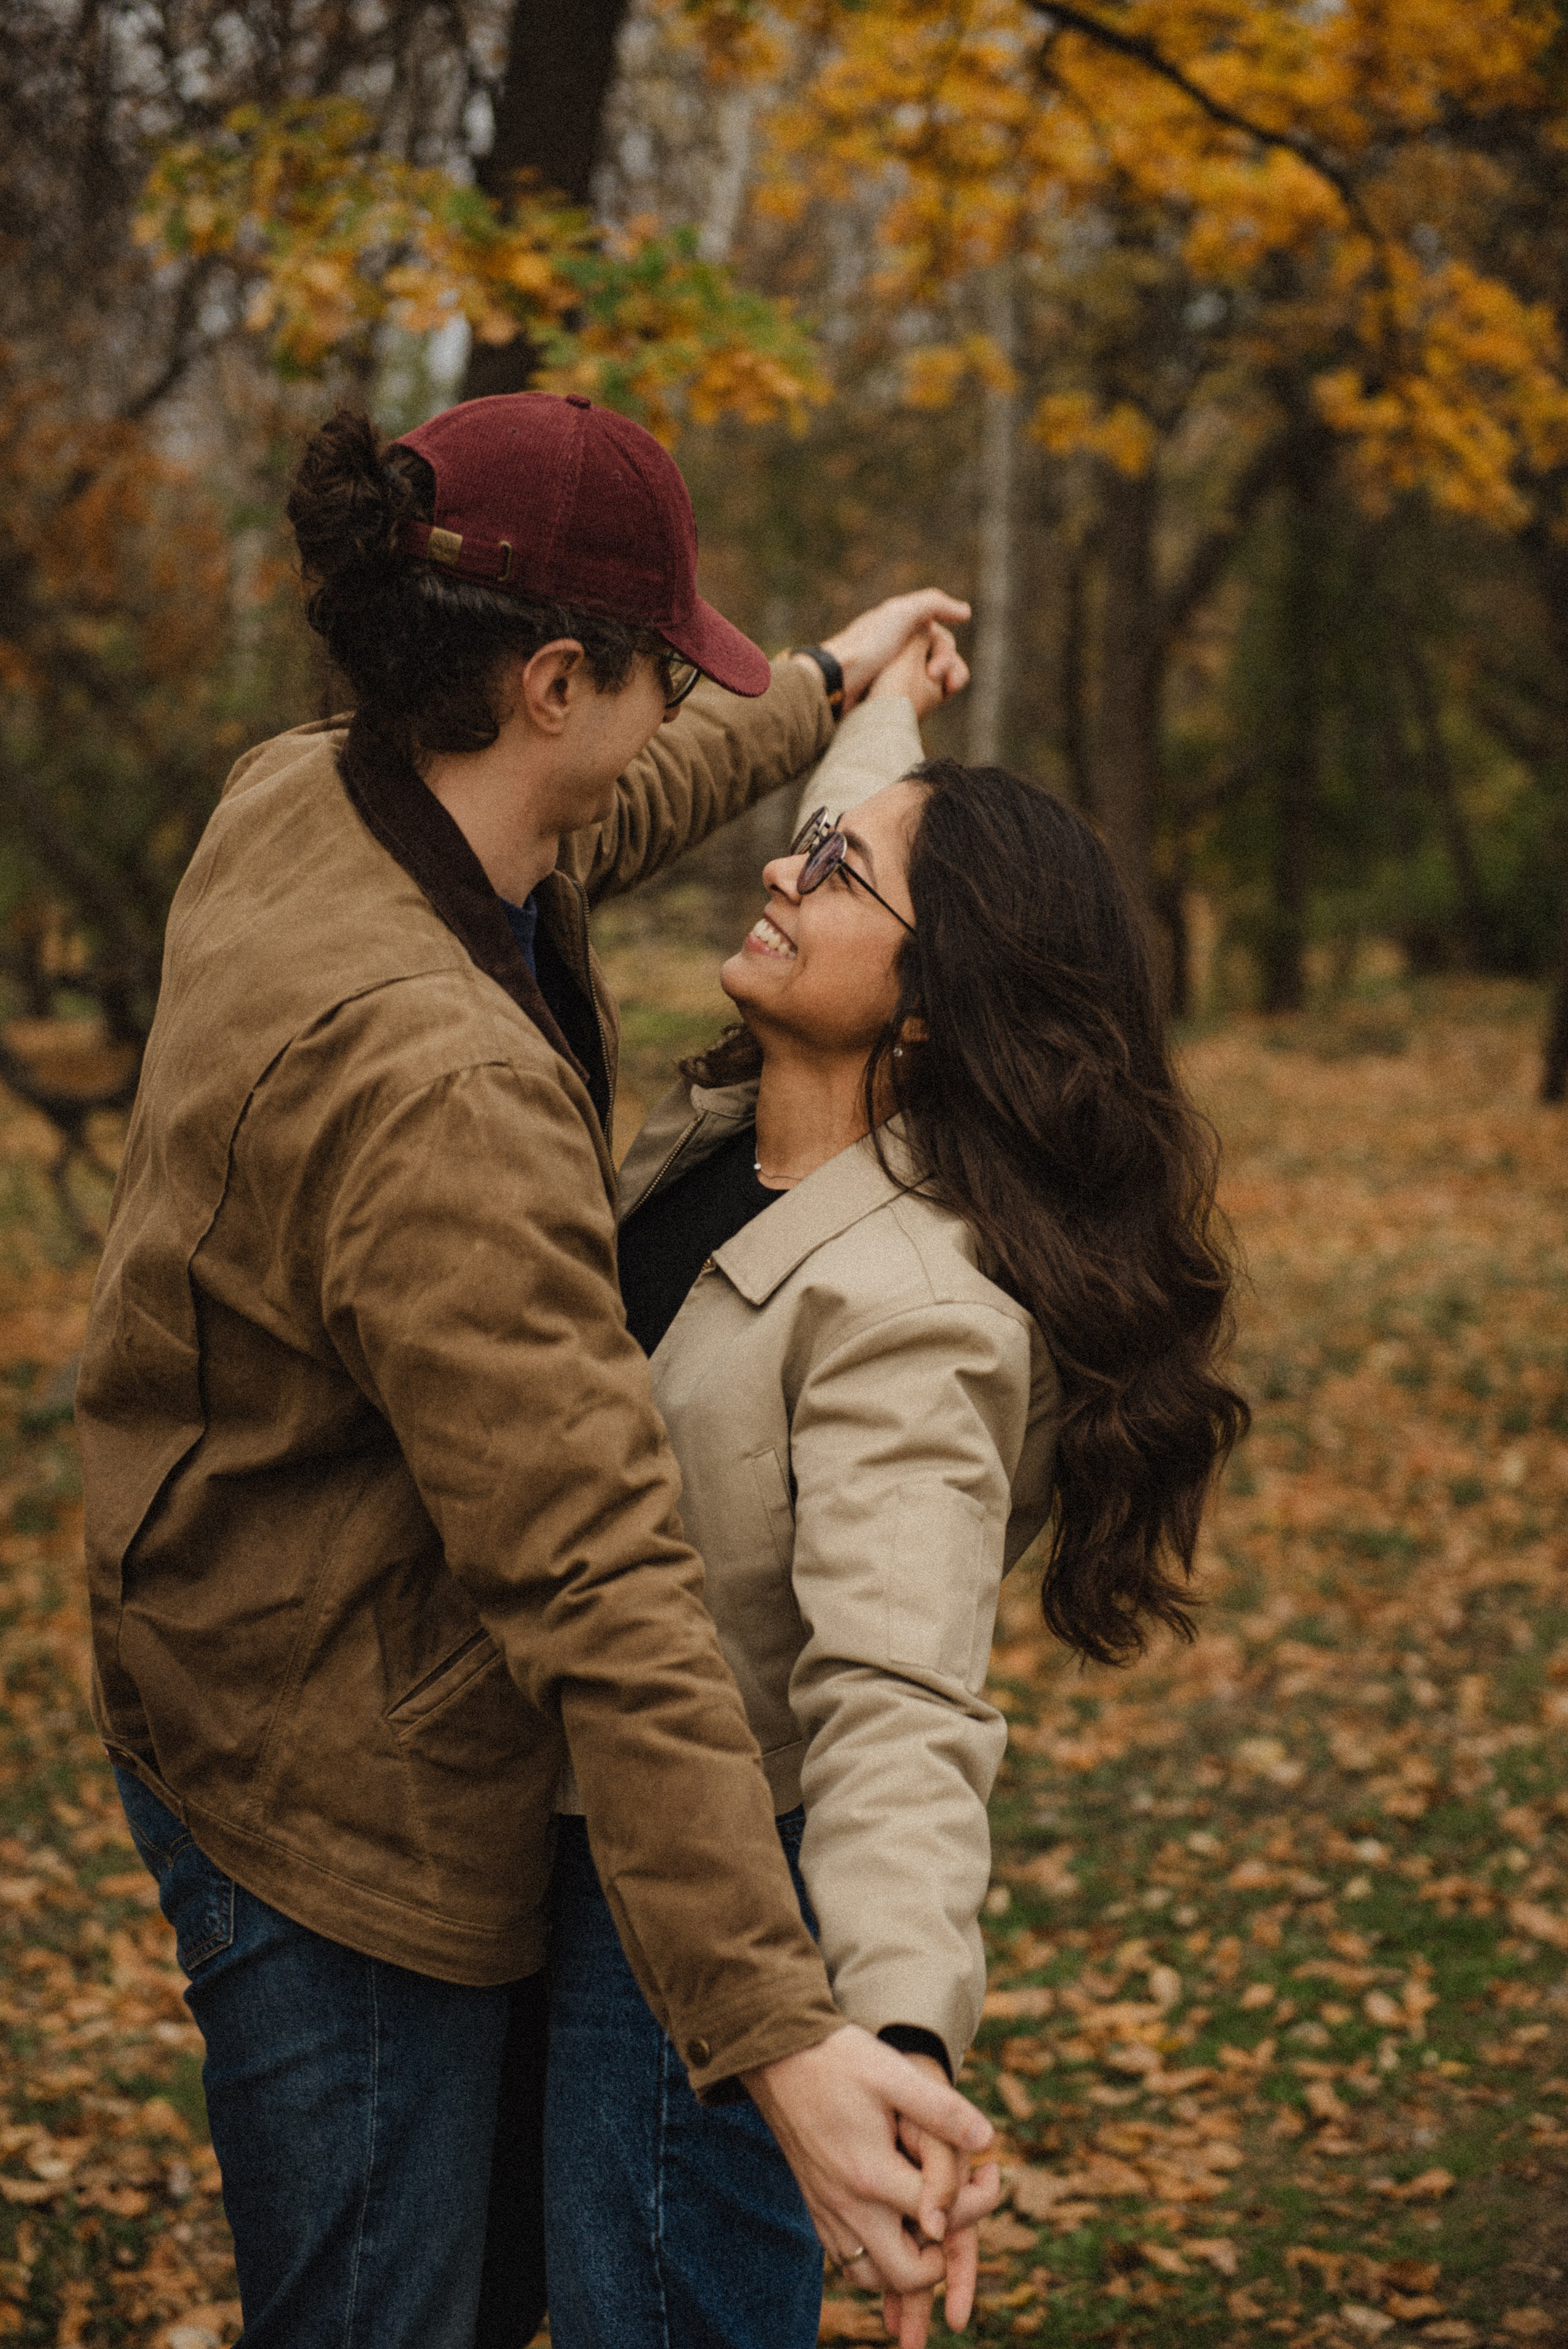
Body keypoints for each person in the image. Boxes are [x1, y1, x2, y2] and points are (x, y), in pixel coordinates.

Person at [75, 390, 998, 2349]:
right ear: (554, 678)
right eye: (662, 669)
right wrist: (775, 2030)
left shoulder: (321, 795)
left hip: (225, 1634)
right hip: (340, 1812)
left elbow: (622, 802)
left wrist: (832, 675)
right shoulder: (440, 1081)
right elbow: (598, 1574)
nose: (679, 709)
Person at [543, 639, 1251, 2349]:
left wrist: (898, 2032)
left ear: (933, 1000)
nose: (787, 865)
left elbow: (900, 1694)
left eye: (835, 868)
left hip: (725, 1926)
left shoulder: (916, 1312)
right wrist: (884, 681)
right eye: (813, 843)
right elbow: (858, 814)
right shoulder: (748, 1136)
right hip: (593, 1847)